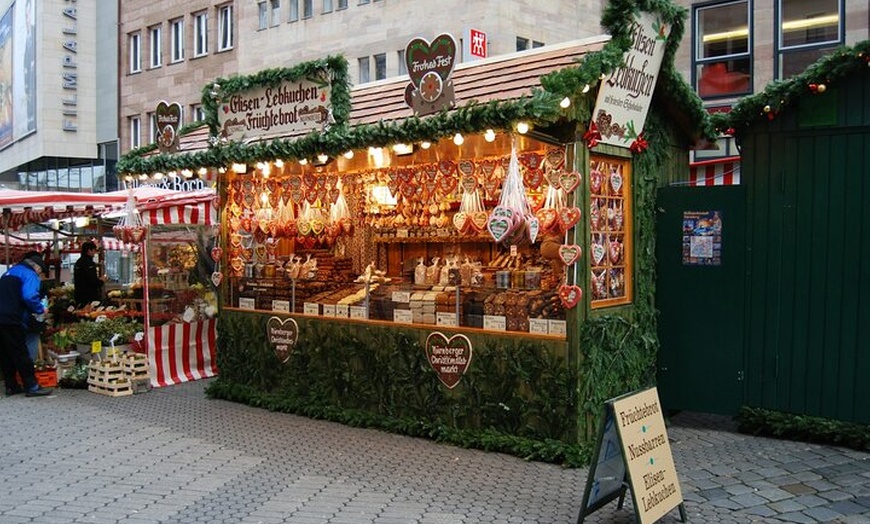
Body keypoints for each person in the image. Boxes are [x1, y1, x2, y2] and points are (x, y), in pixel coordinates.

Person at [0, 252, 52, 397]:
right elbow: (29, 296)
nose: (39, 275)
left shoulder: (9, 272)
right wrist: (40, 309)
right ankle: (32, 386)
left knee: (6, 354)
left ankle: (11, 386)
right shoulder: (29, 274)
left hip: (1, 317)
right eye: (40, 272)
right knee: (21, 353)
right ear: (37, 268)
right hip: (13, 318)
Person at [74, 241, 105, 307]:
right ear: (89, 251)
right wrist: (102, 280)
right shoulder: (89, 263)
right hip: (89, 297)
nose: (94, 253)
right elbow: (93, 282)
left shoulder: (78, 262)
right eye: (94, 251)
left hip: (79, 296)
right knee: (90, 312)